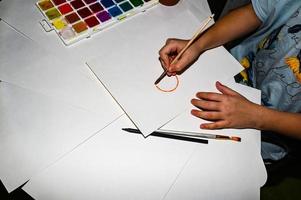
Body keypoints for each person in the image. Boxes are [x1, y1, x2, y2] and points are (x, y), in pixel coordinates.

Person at [159, 0, 301, 161]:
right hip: (233, 70)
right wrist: (198, 44)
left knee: (211, 164)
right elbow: (253, 13)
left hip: (271, 129)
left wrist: (258, 117)